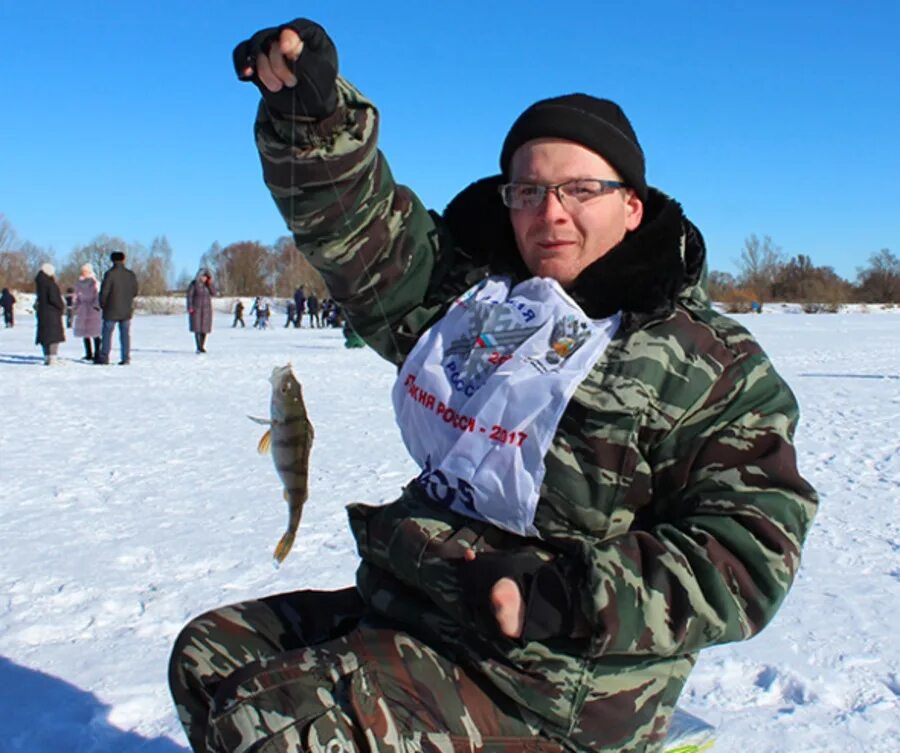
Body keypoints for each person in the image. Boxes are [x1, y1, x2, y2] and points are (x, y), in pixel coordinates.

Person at [169, 20, 819, 753]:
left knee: (275, 724)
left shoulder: (710, 364)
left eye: (581, 189)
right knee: (210, 655)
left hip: (550, 682)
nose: (551, 213)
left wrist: (563, 594)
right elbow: (370, 244)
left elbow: (749, 549)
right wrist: (313, 117)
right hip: (417, 606)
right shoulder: (480, 303)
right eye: (529, 190)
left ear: (632, 206)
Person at [98, 250, 139, 365]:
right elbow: (135, 291)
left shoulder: (110, 274)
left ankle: (104, 357)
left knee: (107, 334)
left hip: (111, 309)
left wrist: (102, 304)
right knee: (125, 335)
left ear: (112, 260)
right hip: (126, 309)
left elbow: (104, 292)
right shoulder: (130, 274)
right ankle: (126, 358)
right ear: (123, 259)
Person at [34, 263, 65, 365]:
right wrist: (61, 306)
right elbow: (54, 299)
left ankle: (47, 356)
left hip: (42, 312)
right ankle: (53, 357)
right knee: (53, 336)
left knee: (45, 336)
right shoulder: (50, 284)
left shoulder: (40, 283)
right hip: (52, 313)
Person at [73, 264, 102, 361]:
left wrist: (96, 306)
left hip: (93, 310)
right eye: (83, 271)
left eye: (85, 271)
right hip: (83, 309)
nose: (83, 273)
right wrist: (76, 306)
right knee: (85, 332)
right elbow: (76, 296)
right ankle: (88, 353)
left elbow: (98, 295)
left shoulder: (95, 283)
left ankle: (97, 352)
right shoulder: (79, 283)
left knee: (95, 332)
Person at [186, 268, 217, 353]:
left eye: (206, 277)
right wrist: (190, 307)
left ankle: (202, 346)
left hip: (206, 311)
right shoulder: (194, 284)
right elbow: (189, 296)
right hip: (196, 310)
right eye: (203, 276)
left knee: (204, 329)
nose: (204, 278)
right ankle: (199, 347)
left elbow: (214, 293)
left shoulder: (208, 285)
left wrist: (210, 284)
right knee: (197, 329)